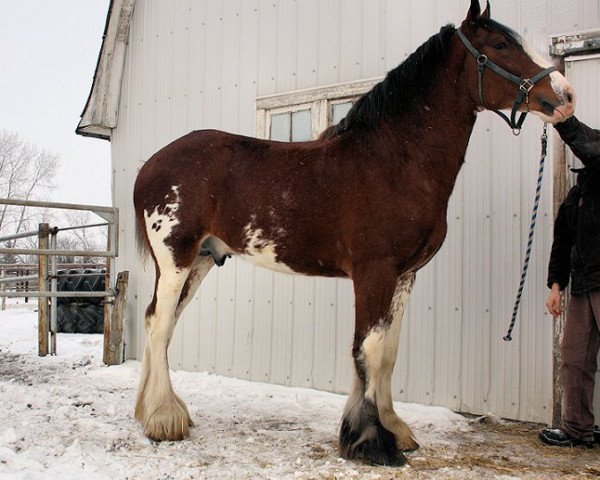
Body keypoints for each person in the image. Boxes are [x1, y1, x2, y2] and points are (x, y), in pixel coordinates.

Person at [539, 115, 600, 447]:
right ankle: (577, 428)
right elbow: (562, 242)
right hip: (582, 287)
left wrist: (563, 120)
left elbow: (588, 145)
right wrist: (556, 286)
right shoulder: (575, 196)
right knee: (575, 357)